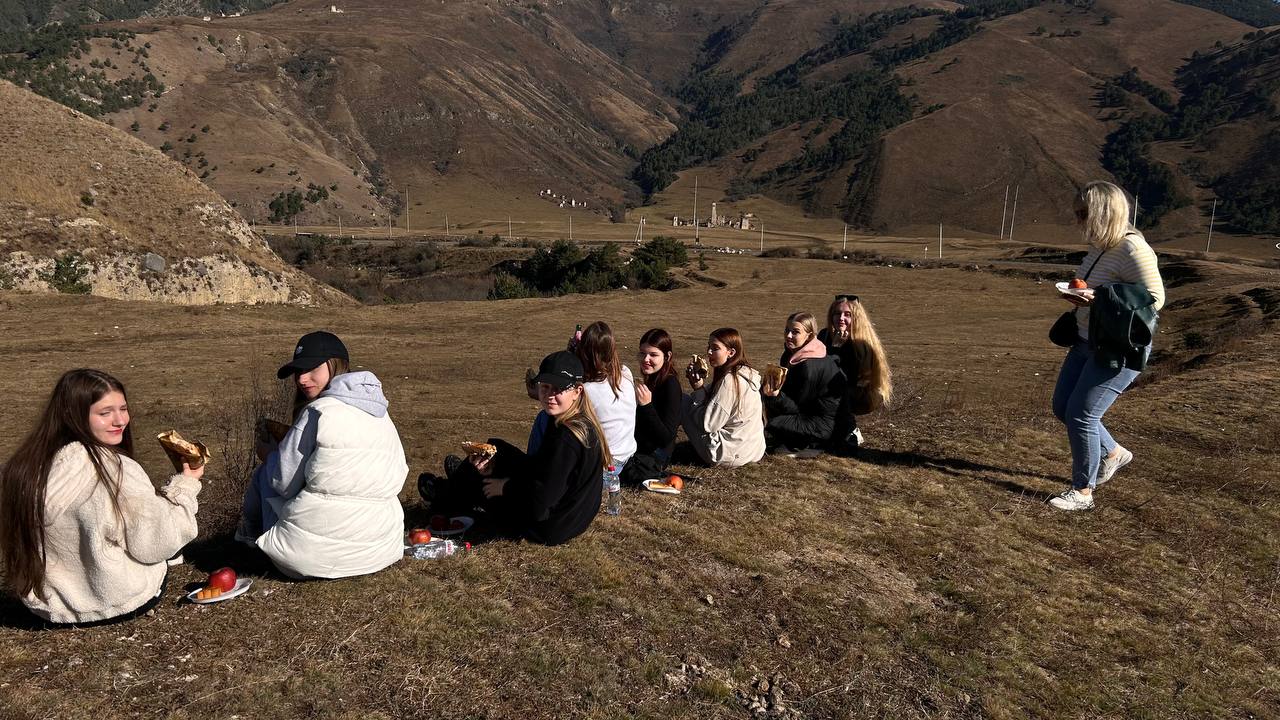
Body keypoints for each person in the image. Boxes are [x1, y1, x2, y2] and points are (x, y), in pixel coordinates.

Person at [0, 369, 203, 625]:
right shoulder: (116, 470)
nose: (120, 421)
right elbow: (156, 544)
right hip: (116, 601)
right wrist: (186, 485)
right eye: (105, 413)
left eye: (123, 409)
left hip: (47, 608)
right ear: (74, 416)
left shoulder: (24, 470)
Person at [239, 331, 408, 578]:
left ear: (335, 364)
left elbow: (282, 483)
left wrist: (270, 455)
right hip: (381, 551)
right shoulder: (381, 414)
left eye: (311, 369)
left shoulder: (317, 411)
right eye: (298, 371)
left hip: (309, 560)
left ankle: (249, 538)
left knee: (268, 473)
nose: (302, 379)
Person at [1049, 181, 1164, 511]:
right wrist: (1081, 297)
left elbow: (1155, 299)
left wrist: (1098, 298)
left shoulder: (1133, 249)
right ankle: (1113, 452)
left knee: (1082, 416)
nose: (1078, 220)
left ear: (1103, 212)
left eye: (1083, 213)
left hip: (1117, 349)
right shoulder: (1101, 247)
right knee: (1062, 407)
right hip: (1086, 340)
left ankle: (1082, 492)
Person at [433, 351, 610, 545]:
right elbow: (546, 471)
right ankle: (457, 483)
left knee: (478, 482)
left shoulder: (566, 437)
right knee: (497, 450)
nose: (549, 395)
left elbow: (539, 504)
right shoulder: (575, 420)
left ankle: (442, 494)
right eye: (545, 387)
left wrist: (505, 487)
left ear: (577, 391)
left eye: (558, 389)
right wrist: (499, 467)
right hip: (571, 517)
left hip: (547, 526)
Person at [529, 321, 637, 473]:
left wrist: (572, 355)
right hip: (627, 455)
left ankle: (534, 466)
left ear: (583, 353)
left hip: (605, 464)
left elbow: (559, 405)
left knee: (545, 417)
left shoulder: (586, 391)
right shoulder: (625, 373)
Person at [763, 312, 845, 458]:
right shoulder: (792, 354)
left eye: (795, 332)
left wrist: (775, 396)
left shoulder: (808, 366)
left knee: (772, 423)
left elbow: (798, 407)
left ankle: (811, 445)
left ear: (809, 336)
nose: (788, 336)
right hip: (810, 415)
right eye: (787, 330)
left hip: (822, 424)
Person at [818, 294, 893, 455]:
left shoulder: (860, 344)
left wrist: (836, 349)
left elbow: (846, 378)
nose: (841, 318)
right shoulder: (824, 335)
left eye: (847, 314)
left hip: (858, 394)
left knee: (835, 391)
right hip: (829, 389)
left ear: (856, 318)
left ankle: (849, 431)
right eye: (837, 313)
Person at [681, 328, 766, 467]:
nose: (709, 352)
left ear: (731, 352)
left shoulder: (730, 380)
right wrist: (700, 386)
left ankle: (660, 449)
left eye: (715, 348)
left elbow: (708, 424)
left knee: (682, 401)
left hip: (730, 454)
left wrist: (698, 390)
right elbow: (714, 398)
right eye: (709, 347)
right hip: (753, 451)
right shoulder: (745, 373)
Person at [623, 328, 682, 483]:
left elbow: (666, 438)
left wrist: (646, 406)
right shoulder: (652, 379)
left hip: (654, 457)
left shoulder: (670, 385)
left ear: (667, 356)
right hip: (640, 448)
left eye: (653, 355)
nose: (646, 359)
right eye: (642, 353)